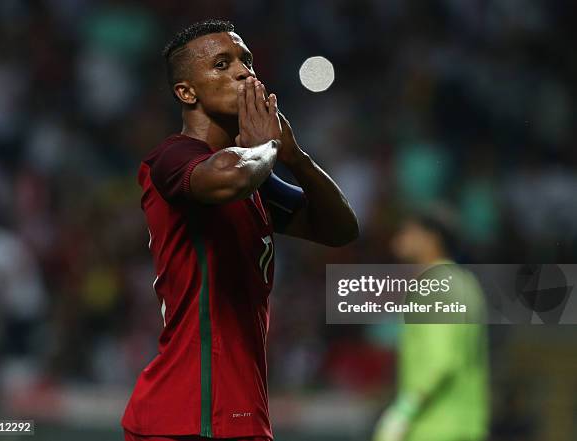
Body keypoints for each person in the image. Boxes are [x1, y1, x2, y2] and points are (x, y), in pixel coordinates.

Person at [122, 19, 359, 441]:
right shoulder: (172, 157)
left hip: (241, 414)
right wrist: (266, 147)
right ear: (186, 92)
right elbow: (229, 175)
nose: (243, 72)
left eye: (246, 60)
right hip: (187, 417)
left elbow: (340, 228)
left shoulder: (259, 180)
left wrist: (296, 157)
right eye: (221, 63)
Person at [373, 207, 489, 441]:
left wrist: (403, 411)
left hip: (433, 426)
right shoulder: (465, 282)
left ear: (431, 238)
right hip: (466, 422)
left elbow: (441, 359)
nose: (399, 239)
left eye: (408, 231)